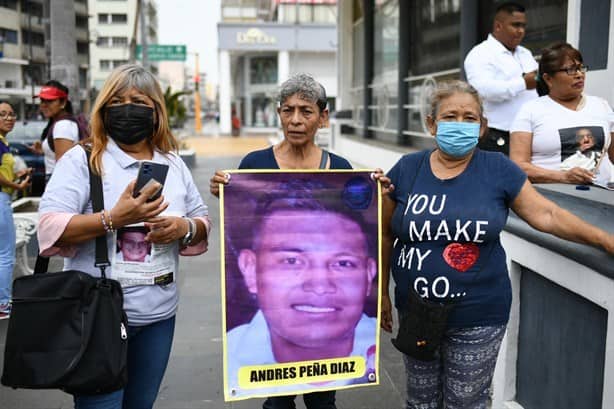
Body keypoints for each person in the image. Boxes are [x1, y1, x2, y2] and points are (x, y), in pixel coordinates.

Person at [380, 80, 614, 409]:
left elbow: (547, 214)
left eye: (469, 118)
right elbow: (384, 231)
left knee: (466, 401)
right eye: (450, 117)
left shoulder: (498, 169)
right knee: (420, 401)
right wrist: (380, 293)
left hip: (478, 313)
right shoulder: (407, 169)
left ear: (482, 127)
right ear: (431, 123)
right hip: (416, 310)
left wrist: (604, 238)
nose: (459, 125)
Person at [37, 64, 210, 409]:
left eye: (138, 100)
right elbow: (49, 225)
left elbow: (201, 219)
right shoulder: (83, 161)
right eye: (118, 100)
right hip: (99, 316)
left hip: (160, 317)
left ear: (156, 111)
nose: (127, 107)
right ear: (104, 108)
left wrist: (183, 229)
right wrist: (112, 219)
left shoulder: (173, 164)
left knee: (140, 404)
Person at [211, 73, 379, 409]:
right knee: (277, 402)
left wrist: (377, 192)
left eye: (306, 111)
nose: (296, 120)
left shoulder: (340, 168)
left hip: (332, 356)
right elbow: (239, 216)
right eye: (288, 111)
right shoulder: (255, 164)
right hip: (274, 344)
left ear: (323, 117)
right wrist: (223, 191)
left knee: (322, 403)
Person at [225, 178, 377, 397]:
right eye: (291, 261)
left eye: (343, 263)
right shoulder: (233, 357)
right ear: (250, 270)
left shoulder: (374, 345)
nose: (320, 286)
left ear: (369, 274)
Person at [510, 42, 614, 185]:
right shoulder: (530, 111)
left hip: (602, 200)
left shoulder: (601, 106)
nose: (579, 75)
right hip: (552, 199)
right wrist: (562, 176)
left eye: (580, 68)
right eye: (570, 70)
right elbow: (518, 166)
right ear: (548, 79)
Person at [463, 2, 538, 156]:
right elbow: (483, 90)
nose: (521, 31)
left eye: (523, 26)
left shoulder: (525, 53)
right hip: (497, 136)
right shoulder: (480, 54)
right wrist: (523, 83)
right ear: (498, 26)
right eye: (516, 25)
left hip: (529, 133)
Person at [0, 101, 31, 320]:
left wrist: (17, 177)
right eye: (3, 115)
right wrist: (16, 186)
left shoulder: (4, 143)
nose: (9, 118)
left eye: (11, 114)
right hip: (1, 200)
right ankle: (3, 304)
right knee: (5, 255)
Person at [31, 80, 82, 179]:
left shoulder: (63, 125)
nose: (44, 105)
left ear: (63, 103)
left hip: (59, 182)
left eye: (49, 101)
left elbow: (64, 167)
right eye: (42, 100)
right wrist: (44, 150)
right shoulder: (61, 123)